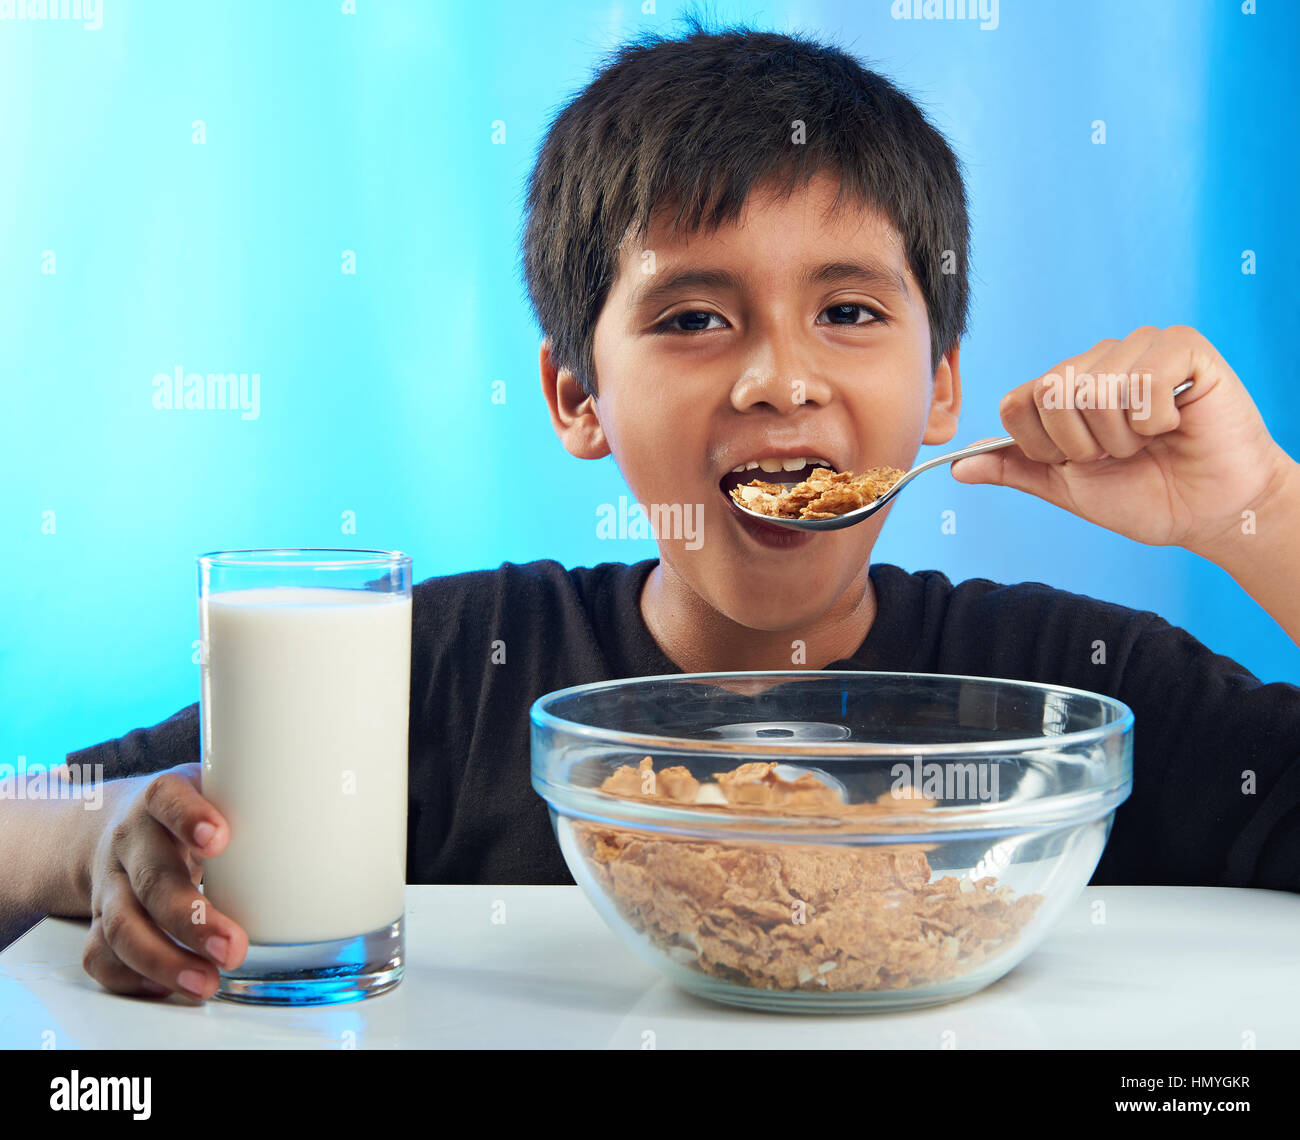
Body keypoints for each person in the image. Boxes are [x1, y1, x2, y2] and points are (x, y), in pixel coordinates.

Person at [3, 18, 1297, 1004]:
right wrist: (94, 843)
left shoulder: (1073, 689)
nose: (781, 374)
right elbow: (30, 813)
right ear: (579, 395)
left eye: (848, 312)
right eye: (692, 317)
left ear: (941, 382)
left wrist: (1260, 509)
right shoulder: (439, 669)